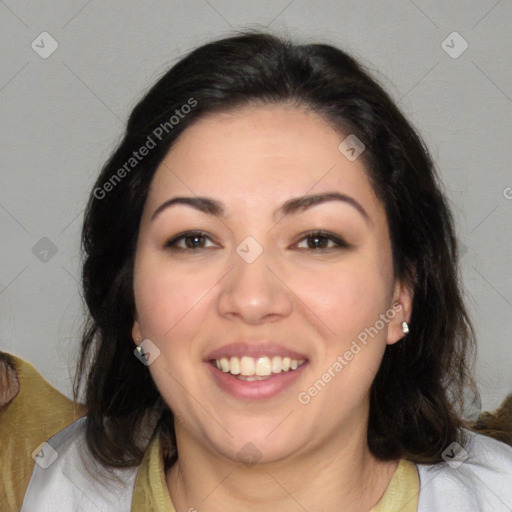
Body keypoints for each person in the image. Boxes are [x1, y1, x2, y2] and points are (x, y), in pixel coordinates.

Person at [4, 29, 512, 511]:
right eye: (194, 239)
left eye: (317, 240)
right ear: (132, 294)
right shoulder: (44, 484)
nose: (251, 298)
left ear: (401, 293)